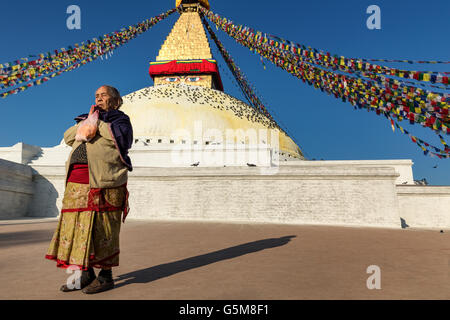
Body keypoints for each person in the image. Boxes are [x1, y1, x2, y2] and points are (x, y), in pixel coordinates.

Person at [45, 85, 133, 294]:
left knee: (102, 230)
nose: (99, 98)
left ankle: (105, 277)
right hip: (76, 184)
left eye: (103, 95)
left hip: (103, 182)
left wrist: (99, 122)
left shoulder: (120, 120)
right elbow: (68, 138)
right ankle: (85, 274)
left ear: (115, 100)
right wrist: (87, 121)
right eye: (96, 95)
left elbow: (120, 139)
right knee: (77, 230)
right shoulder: (88, 119)